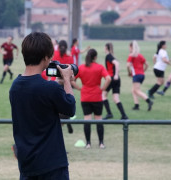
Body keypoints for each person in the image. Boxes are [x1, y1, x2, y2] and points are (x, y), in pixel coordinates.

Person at [9, 32, 75, 180]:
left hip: (27, 164)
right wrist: (66, 80)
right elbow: (70, 108)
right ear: (46, 57)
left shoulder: (15, 87)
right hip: (52, 166)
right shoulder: (50, 88)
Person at [71, 49, 111, 149]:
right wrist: (103, 88)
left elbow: (71, 80)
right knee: (99, 119)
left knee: (87, 120)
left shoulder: (81, 68)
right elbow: (108, 78)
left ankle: (88, 143)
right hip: (97, 97)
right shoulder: (100, 67)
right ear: (95, 57)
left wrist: (79, 88)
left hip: (85, 97)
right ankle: (101, 143)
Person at [102, 43, 128, 120]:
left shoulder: (108, 56)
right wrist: (117, 75)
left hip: (112, 78)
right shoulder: (113, 56)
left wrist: (115, 74)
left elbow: (116, 64)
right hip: (116, 79)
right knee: (116, 98)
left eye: (104, 47)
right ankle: (124, 115)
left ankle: (109, 113)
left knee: (103, 95)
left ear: (106, 48)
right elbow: (116, 66)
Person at [127, 41, 153, 111]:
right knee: (133, 90)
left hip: (136, 75)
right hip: (142, 75)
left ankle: (149, 101)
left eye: (129, 47)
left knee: (137, 90)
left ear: (131, 47)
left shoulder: (131, 55)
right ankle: (136, 105)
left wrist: (129, 72)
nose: (129, 49)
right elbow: (147, 64)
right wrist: (143, 71)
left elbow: (128, 65)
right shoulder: (140, 55)